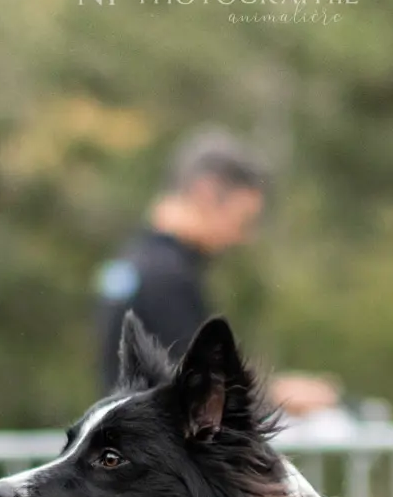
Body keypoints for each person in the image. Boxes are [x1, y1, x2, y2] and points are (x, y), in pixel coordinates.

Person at [92, 128, 349, 432]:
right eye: (244, 220)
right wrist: (282, 396)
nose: (244, 237)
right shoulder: (167, 277)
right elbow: (197, 387)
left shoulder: (132, 265)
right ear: (206, 192)